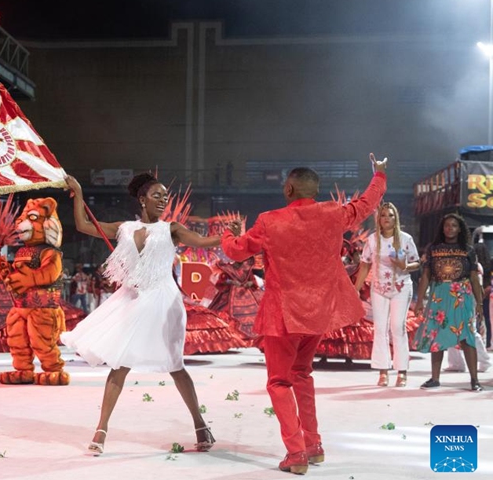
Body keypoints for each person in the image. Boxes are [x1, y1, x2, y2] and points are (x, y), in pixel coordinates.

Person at [220, 154, 387, 475]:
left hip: (283, 314)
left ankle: (296, 453)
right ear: (315, 190)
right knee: (302, 374)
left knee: (279, 382)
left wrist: (229, 234)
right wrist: (379, 175)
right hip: (318, 313)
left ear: (288, 188)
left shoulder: (270, 220)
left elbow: (237, 250)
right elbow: (367, 204)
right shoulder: (333, 214)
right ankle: (313, 445)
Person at [62, 173, 222, 456]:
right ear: (142, 198)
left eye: (165, 197)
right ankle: (101, 430)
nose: (163, 201)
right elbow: (84, 225)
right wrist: (78, 193)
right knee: (120, 363)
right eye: (157, 195)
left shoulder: (171, 229)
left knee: (176, 365)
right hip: (132, 299)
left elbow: (201, 241)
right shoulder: (124, 228)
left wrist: (229, 237)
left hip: (163, 300)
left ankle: (200, 424)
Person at [414, 214, 485, 392]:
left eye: (454, 226)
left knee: (467, 337)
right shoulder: (433, 249)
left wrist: (479, 303)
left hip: (462, 296)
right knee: (436, 335)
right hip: (439, 294)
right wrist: (420, 300)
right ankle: (435, 378)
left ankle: (474, 379)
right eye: (447, 225)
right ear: (442, 228)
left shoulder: (468, 250)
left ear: (460, 228)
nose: (450, 229)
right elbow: (426, 276)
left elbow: (474, 278)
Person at [353, 202, 420, 387]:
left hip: (401, 287)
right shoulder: (373, 240)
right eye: (383, 215)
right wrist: (356, 289)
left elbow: (417, 263)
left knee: (398, 327)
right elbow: (365, 265)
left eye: (390, 215)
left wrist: (405, 266)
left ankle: (402, 371)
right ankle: (383, 371)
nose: (387, 219)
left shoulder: (405, 239)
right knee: (380, 328)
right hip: (379, 288)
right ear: (379, 219)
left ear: (395, 218)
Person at [445, 243, 492, 373]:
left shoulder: (474, 264)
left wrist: (478, 303)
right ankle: (456, 363)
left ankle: (483, 361)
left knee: (469, 330)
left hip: (467, 298)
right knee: (452, 329)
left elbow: (477, 284)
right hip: (453, 296)